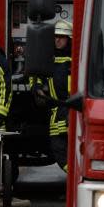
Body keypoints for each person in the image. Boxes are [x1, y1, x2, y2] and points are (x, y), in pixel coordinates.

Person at [30, 19, 72, 171]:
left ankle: (76, 180)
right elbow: (35, 76)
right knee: (59, 151)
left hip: (74, 110)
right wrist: (37, 87)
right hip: (56, 112)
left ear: (69, 39)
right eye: (55, 37)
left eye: (62, 37)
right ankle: (73, 177)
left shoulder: (77, 61)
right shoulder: (49, 60)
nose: (57, 40)